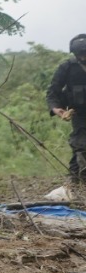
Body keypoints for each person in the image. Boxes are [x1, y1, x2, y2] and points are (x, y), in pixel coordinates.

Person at [47, 33, 86, 196]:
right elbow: (53, 92)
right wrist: (57, 109)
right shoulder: (67, 68)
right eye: (81, 55)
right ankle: (78, 181)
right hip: (80, 113)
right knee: (81, 146)